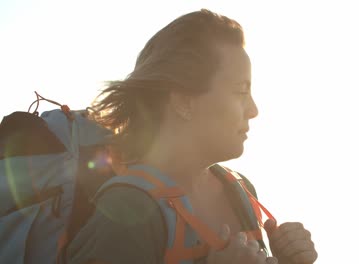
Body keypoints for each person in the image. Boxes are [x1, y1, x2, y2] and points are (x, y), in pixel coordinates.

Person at [66, 9, 317, 264]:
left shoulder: (240, 190)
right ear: (184, 101)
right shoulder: (126, 210)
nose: (253, 110)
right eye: (241, 91)